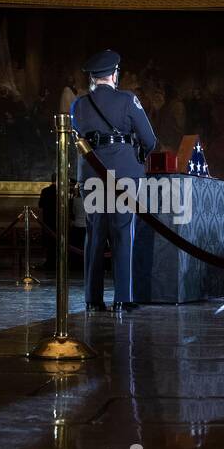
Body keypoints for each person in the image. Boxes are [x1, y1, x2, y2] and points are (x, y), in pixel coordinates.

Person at [71, 49, 157, 312]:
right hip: (124, 175)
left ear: (93, 78)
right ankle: (123, 298)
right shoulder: (128, 100)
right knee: (123, 234)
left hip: (91, 175)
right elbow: (149, 139)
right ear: (114, 74)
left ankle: (92, 299)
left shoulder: (79, 104)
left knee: (95, 236)